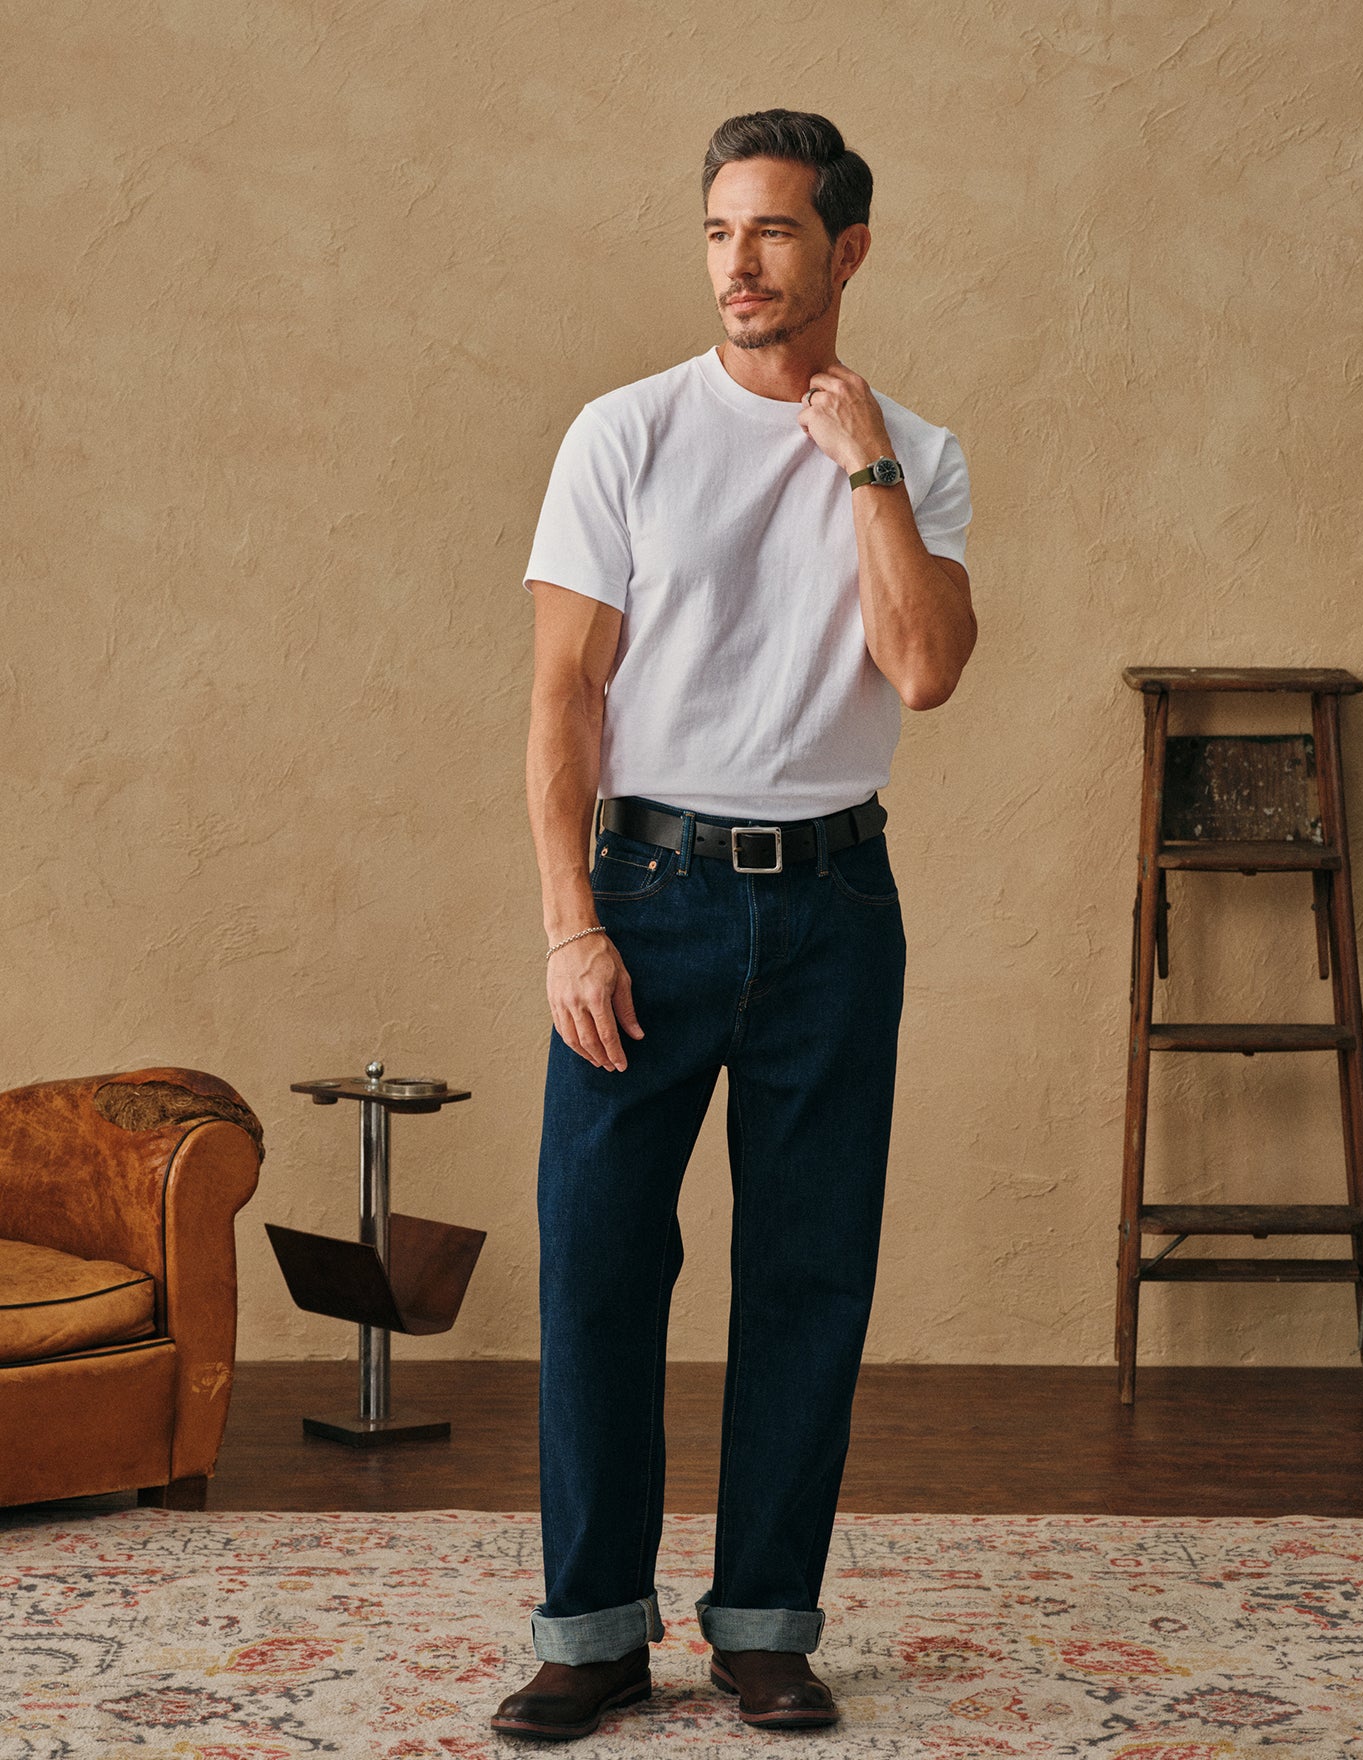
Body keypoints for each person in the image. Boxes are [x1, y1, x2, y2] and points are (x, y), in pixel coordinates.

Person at [492, 108, 976, 1743]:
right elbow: (564, 698)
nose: (739, 264)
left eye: (772, 230)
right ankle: (592, 1635)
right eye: (719, 230)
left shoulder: (915, 453)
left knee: (809, 1273)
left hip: (837, 906)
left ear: (848, 249)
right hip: (647, 896)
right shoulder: (624, 433)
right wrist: (569, 926)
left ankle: (766, 1626)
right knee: (600, 1262)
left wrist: (865, 465)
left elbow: (924, 668)